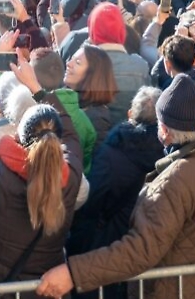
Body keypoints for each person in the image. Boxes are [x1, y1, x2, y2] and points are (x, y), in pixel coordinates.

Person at [37, 74, 195, 299]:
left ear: (163, 130)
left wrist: (74, 273)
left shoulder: (173, 181)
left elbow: (140, 250)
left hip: (167, 292)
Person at [0, 51, 83, 285]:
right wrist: (36, 88)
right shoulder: (69, 177)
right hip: (42, 288)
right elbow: (71, 135)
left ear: (19, 133)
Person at [66, 86, 162, 299]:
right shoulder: (169, 156)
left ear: (130, 115)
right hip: (149, 247)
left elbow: (91, 201)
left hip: (107, 244)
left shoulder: (112, 154)